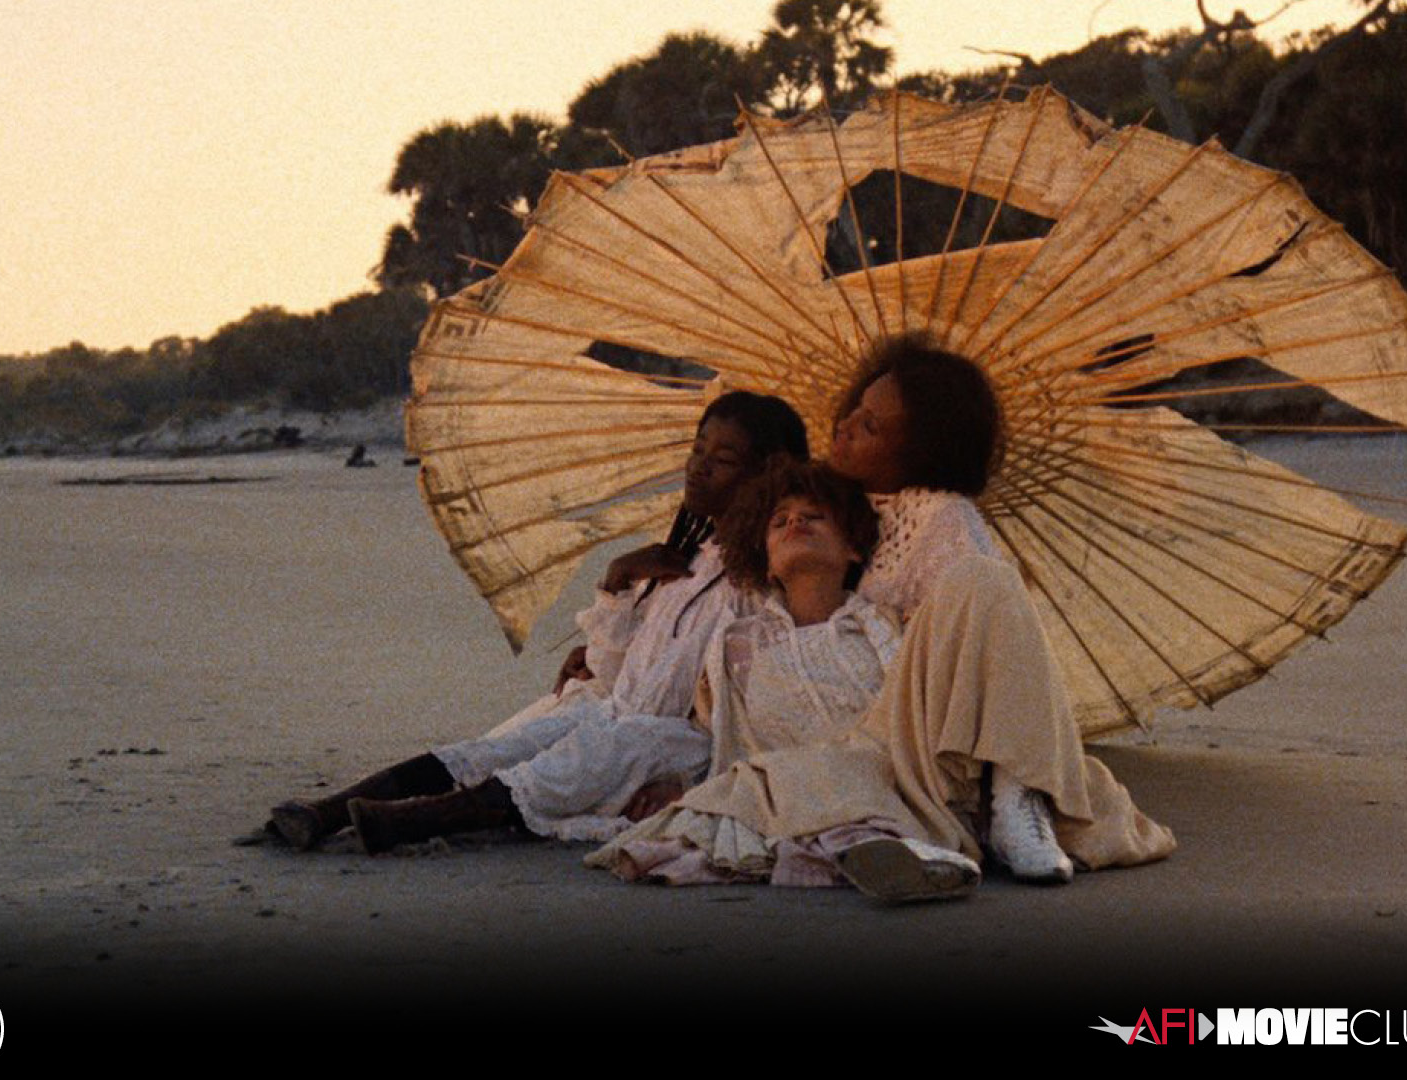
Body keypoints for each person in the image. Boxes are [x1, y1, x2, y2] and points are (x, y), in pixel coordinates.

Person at [259, 390, 810, 853]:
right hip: (616, 712)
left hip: (679, 744)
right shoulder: (682, 562)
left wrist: (691, 784)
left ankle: (407, 821)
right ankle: (329, 811)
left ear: (767, 476)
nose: (698, 466)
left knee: (572, 763)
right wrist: (618, 581)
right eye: (697, 448)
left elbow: (755, 709)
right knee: (501, 748)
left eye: (723, 459)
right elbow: (614, 674)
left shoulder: (763, 583)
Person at [825, 335, 1175, 881]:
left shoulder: (942, 516)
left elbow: (980, 650)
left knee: (986, 580)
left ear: (918, 452)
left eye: (869, 426)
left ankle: (1017, 794)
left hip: (919, 709)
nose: (844, 425)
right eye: (856, 409)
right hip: (839, 706)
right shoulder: (820, 502)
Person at [588, 459, 985, 901]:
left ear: (853, 549)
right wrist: (680, 784)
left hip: (887, 778)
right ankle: (872, 849)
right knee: (756, 781)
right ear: (769, 564)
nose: (796, 522)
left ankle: (884, 846)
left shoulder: (889, 630)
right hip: (786, 789)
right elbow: (718, 739)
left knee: (852, 763)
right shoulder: (735, 646)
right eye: (780, 522)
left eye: (814, 516)